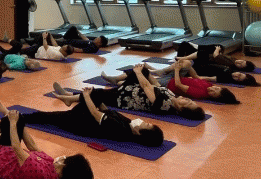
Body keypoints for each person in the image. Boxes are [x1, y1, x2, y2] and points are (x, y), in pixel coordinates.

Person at [31, 87, 164, 146]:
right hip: (86, 116)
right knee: (96, 94)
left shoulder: (120, 129)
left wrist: (87, 96)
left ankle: (23, 117)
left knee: (45, 117)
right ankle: (69, 99)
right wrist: (93, 96)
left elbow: (95, 113)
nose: (143, 122)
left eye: (146, 125)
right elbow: (106, 110)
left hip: (77, 122)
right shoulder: (130, 124)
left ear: (139, 133)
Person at [67, 64, 206, 120]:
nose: (188, 99)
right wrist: (144, 73)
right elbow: (157, 85)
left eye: (188, 103)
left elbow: (147, 87)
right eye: (190, 101)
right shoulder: (173, 97)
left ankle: (69, 98)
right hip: (131, 90)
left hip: (124, 99)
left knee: (98, 94)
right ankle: (115, 79)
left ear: (181, 109)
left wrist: (138, 73)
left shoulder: (164, 105)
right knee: (143, 70)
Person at [158, 61, 239, 103]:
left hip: (169, 83)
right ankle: (161, 71)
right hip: (177, 77)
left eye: (213, 93)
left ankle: (160, 73)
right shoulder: (209, 85)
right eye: (216, 88)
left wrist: (176, 69)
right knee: (187, 62)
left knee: (151, 78)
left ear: (213, 98)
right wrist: (189, 66)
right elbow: (196, 77)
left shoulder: (200, 93)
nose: (212, 89)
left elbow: (178, 85)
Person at [176, 42, 255, 71]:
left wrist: (217, 49)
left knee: (215, 48)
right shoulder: (234, 60)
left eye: (240, 65)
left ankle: (181, 59)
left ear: (239, 68)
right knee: (218, 46)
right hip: (202, 56)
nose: (239, 62)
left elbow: (216, 56)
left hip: (202, 58)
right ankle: (180, 59)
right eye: (242, 61)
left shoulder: (230, 64)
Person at [0, 32, 74, 61]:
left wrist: (44, 38)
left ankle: (6, 52)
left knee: (19, 51)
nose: (63, 45)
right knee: (44, 34)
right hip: (40, 47)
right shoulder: (61, 51)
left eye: (65, 46)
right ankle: (30, 41)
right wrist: (50, 36)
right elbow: (55, 45)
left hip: (37, 51)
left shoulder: (57, 55)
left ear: (65, 51)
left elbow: (46, 46)